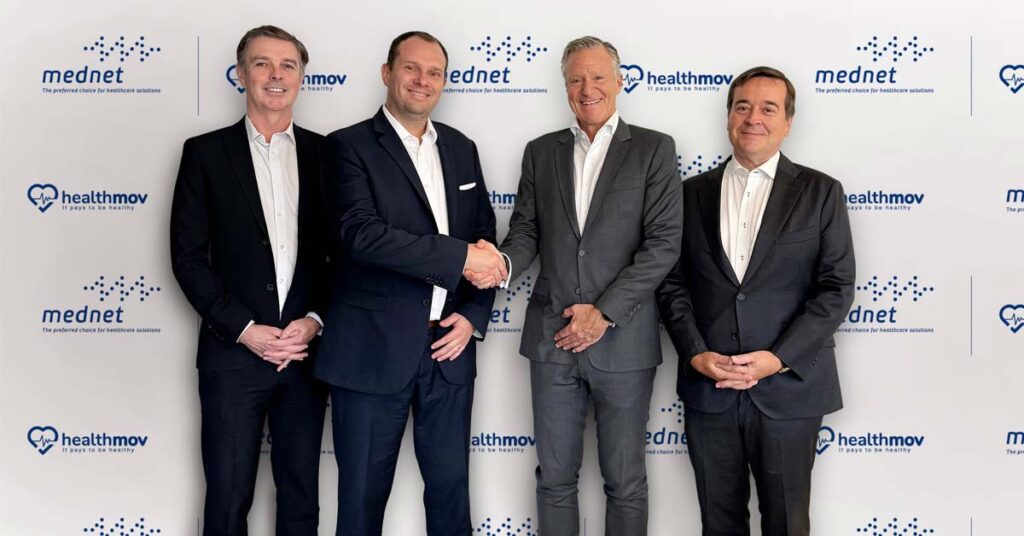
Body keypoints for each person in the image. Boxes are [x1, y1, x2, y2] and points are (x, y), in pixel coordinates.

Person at [468, 36, 682, 536]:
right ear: (565, 86)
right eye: (576, 79)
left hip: (624, 342)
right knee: (554, 480)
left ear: (619, 81)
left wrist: (602, 312)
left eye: (598, 77)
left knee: (625, 481)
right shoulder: (541, 152)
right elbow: (525, 232)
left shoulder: (654, 148)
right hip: (552, 339)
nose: (588, 88)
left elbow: (664, 246)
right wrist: (500, 262)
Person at [315, 31, 502, 536]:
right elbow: (361, 236)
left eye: (434, 72)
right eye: (411, 69)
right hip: (371, 349)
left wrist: (475, 315)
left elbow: (484, 238)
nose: (422, 81)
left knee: (450, 494)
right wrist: (460, 256)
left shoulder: (462, 149)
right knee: (360, 498)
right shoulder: (347, 147)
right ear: (387, 73)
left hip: (450, 346)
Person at [656, 66, 856, 536]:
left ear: (788, 122)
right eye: (742, 106)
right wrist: (696, 354)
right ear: (728, 116)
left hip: (789, 391)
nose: (753, 118)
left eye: (768, 108)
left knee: (787, 523)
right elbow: (671, 284)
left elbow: (836, 287)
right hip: (711, 391)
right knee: (718, 523)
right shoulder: (688, 194)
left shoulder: (821, 192)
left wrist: (778, 359)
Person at [170, 25, 329, 536]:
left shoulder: (328, 156)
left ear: (302, 77)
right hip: (232, 358)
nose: (276, 75)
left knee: (302, 499)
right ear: (241, 74)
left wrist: (311, 321)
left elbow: (342, 256)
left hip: (305, 358)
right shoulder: (205, 153)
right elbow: (188, 257)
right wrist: (245, 329)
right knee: (227, 498)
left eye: (288, 65)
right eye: (262, 63)